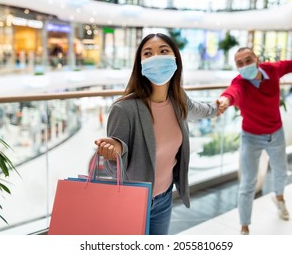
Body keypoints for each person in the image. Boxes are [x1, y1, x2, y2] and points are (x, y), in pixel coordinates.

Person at [94, 33, 222, 235]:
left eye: (163, 51)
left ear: (175, 60)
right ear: (140, 64)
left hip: (164, 198)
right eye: (148, 53)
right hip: (133, 201)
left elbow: (199, 109)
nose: (156, 57)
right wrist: (116, 151)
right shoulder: (124, 109)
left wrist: (217, 107)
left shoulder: (179, 100)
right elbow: (114, 170)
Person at [217, 47, 292, 235]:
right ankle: (244, 227)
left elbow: (289, 65)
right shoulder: (240, 82)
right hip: (251, 137)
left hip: (276, 133)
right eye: (240, 63)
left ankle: (280, 200)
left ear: (256, 59)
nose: (245, 66)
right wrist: (225, 100)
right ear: (236, 67)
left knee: (281, 171)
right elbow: (233, 92)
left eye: (248, 60)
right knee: (248, 182)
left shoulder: (271, 70)